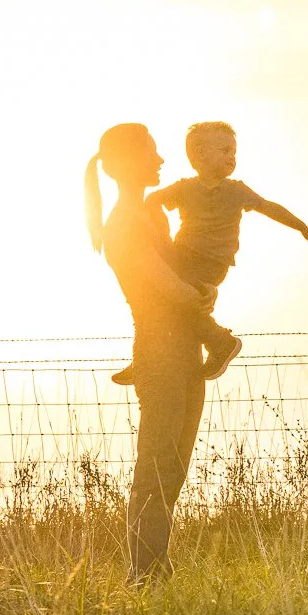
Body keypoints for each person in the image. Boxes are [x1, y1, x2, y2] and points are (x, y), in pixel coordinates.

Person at [84, 123, 215, 581]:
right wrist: (195, 294)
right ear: (124, 163)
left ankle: (156, 566)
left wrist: (198, 291)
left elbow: (178, 281)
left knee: (173, 467)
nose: (161, 161)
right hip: (159, 353)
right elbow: (162, 284)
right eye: (152, 153)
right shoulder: (122, 223)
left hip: (185, 350)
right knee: (157, 464)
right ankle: (144, 571)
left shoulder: (151, 217)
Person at [112, 120, 308, 387]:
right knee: (157, 300)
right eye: (225, 150)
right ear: (200, 153)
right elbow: (152, 200)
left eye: (233, 152)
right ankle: (146, 356)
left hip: (212, 263)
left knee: (179, 303)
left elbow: (269, 207)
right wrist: (153, 222)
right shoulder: (185, 189)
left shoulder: (236, 191)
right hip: (183, 254)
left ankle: (220, 342)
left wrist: (303, 229)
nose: (232, 157)